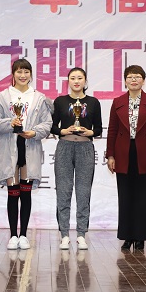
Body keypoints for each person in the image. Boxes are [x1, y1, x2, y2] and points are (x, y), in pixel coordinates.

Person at [0, 58, 53, 251]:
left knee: (26, 193)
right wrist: (10, 123)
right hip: (9, 147)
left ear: (31, 74)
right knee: (12, 192)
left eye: (26, 72)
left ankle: (23, 234)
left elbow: (47, 123)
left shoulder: (39, 98)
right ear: (13, 74)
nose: (23, 75)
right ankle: (12, 235)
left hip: (29, 146)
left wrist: (35, 132)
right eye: (19, 71)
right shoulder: (2, 97)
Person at [106, 65, 146, 251]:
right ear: (125, 81)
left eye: (137, 76)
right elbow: (112, 130)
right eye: (130, 77)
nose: (133, 80)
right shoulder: (117, 102)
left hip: (145, 152)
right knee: (125, 196)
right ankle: (127, 236)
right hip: (123, 151)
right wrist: (110, 155)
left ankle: (141, 237)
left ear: (143, 81)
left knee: (144, 197)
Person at [51, 67, 102, 250]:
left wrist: (90, 132)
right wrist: (63, 131)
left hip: (85, 148)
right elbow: (52, 126)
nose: (76, 81)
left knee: (83, 192)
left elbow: (99, 128)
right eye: (73, 78)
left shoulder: (93, 102)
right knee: (63, 191)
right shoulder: (60, 101)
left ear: (85, 81)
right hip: (64, 147)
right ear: (68, 81)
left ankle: (81, 234)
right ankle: (64, 234)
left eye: (80, 78)